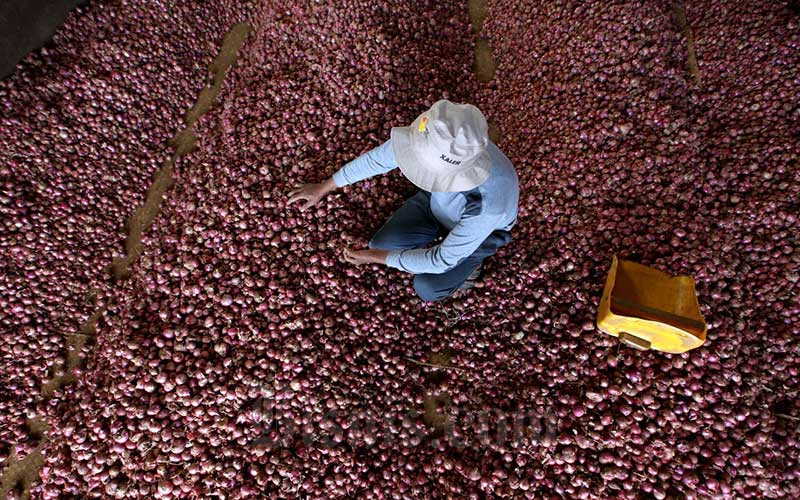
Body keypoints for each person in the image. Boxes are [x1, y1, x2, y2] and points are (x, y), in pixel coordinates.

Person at [288, 100, 519, 302]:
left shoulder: (491, 201)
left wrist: (375, 258)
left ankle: (470, 269)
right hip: (436, 202)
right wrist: (324, 187)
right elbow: (377, 161)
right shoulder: (435, 135)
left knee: (427, 288)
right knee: (382, 244)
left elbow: (440, 260)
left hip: (482, 233)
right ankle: (431, 236)